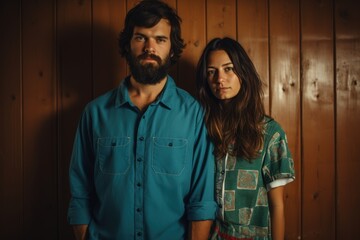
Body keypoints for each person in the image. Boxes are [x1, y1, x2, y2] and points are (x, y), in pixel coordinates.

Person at [67, 1, 217, 239]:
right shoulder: (94, 114)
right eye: (141, 38)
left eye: (160, 39)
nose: (150, 47)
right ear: (128, 44)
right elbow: (80, 193)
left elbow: (202, 200)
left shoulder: (193, 115)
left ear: (171, 47)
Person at [196, 37, 295, 240]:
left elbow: (277, 206)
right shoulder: (203, 129)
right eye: (212, 72)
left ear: (243, 73)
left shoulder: (269, 133)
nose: (219, 79)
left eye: (228, 69)